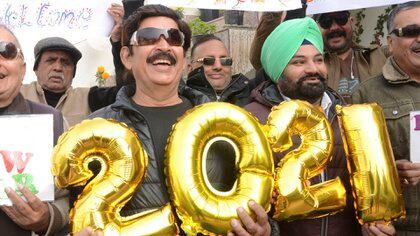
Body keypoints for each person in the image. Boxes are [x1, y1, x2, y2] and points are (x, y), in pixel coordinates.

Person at [77, 4, 275, 235]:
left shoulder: (226, 125)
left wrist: (265, 230)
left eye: (174, 38)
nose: (163, 46)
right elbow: (79, 213)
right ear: (127, 56)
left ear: (183, 59)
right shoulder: (97, 129)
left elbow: (259, 208)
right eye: (149, 37)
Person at [245, 17, 395, 236]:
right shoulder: (252, 121)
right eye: (298, 62)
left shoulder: (348, 115)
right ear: (277, 69)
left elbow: (365, 192)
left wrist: (369, 226)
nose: (313, 69)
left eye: (318, 59)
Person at [352, 2, 420, 234]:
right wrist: (389, 170)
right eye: (411, 32)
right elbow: (356, 171)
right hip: (401, 228)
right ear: (390, 43)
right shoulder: (367, 95)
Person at [0, 24, 68, 236]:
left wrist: (48, 217)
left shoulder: (53, 121)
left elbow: (70, 195)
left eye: (6, 51)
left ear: (23, 67)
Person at [249, 2, 389, 102]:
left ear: (351, 21)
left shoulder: (380, 56)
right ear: (317, 27)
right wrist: (278, 5)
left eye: (341, 19)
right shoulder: (308, 64)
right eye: (326, 22)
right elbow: (260, 60)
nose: (334, 27)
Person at [20, 4, 125, 126]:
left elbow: (127, 92)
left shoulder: (87, 98)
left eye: (65, 62)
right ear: (36, 68)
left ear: (73, 73)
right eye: (51, 60)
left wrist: (118, 43)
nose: (58, 68)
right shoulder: (17, 94)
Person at [187, 34, 251, 106]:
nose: (218, 66)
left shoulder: (251, 96)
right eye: (208, 61)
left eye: (225, 61)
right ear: (190, 68)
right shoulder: (179, 103)